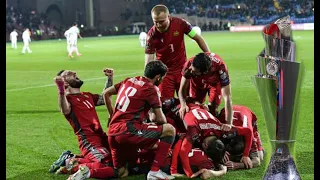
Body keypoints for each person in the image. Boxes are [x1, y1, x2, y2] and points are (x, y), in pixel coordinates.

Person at [103, 61, 176, 180]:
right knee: (169, 130)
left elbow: (106, 93)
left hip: (113, 133)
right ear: (158, 77)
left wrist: (112, 116)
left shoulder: (129, 80)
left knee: (121, 172)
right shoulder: (151, 88)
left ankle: (87, 172)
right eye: (163, 77)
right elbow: (160, 119)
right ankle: (154, 172)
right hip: (128, 130)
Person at [51, 68, 119, 180]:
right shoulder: (68, 99)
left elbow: (103, 99)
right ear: (65, 83)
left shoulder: (87, 95)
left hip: (102, 138)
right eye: (69, 74)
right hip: (89, 142)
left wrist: (109, 78)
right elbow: (65, 110)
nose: (74, 73)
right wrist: (61, 89)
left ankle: (72, 160)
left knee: (120, 161)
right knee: (109, 167)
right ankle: (74, 167)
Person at [145, 4, 210, 101]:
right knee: (165, 104)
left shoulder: (181, 24)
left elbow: (197, 38)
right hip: (165, 75)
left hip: (183, 71)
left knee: (188, 101)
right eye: (156, 22)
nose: (158, 25)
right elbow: (148, 61)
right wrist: (149, 80)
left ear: (169, 16)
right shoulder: (151, 36)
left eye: (161, 21)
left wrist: (209, 55)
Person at [176, 103, 253, 177]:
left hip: (198, 109)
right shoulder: (194, 131)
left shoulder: (222, 128)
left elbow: (248, 131)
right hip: (180, 109)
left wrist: (245, 155)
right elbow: (183, 152)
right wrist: (189, 174)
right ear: (205, 146)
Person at [178, 52, 233, 131]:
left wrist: (228, 123)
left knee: (213, 109)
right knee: (195, 106)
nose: (191, 70)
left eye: (195, 71)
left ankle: (213, 130)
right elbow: (182, 89)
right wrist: (183, 105)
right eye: (191, 68)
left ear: (205, 72)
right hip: (197, 82)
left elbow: (227, 97)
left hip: (214, 83)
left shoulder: (220, 68)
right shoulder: (189, 65)